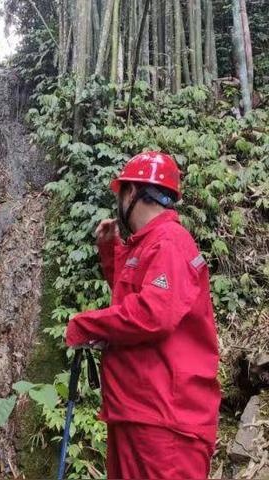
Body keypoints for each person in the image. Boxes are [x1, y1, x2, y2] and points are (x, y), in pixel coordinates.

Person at [66, 152, 221, 479]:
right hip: (137, 412)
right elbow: (135, 296)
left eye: (121, 191)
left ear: (132, 192)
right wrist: (111, 252)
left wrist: (85, 324)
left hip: (164, 423)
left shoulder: (170, 242)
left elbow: (154, 314)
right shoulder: (149, 244)